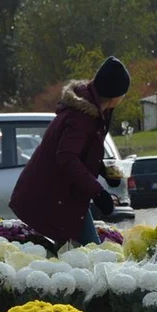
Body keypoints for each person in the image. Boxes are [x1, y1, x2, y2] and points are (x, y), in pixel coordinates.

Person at [9, 56, 130, 247]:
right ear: (116, 95)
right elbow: (66, 157)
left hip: (64, 196)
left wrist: (102, 169)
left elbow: (78, 151)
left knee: (73, 257)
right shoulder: (83, 116)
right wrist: (99, 193)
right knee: (91, 254)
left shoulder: (91, 109)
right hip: (55, 197)